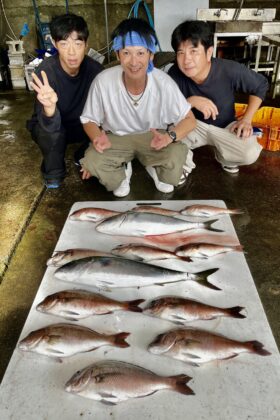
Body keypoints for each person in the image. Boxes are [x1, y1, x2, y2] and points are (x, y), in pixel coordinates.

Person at [79, 18, 196, 197]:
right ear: (118, 55)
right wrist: (96, 138)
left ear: (151, 54)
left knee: (176, 157)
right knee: (92, 160)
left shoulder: (163, 82)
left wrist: (169, 137)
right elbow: (89, 119)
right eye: (126, 53)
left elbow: (189, 120)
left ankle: (154, 166)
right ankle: (122, 169)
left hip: (152, 137)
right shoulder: (103, 80)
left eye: (141, 53)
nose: (134, 62)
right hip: (116, 138)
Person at [168, 20, 269, 174]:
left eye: (193, 51)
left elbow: (260, 85)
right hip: (193, 126)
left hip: (225, 127)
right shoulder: (174, 73)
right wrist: (191, 101)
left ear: (209, 53)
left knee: (249, 152)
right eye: (181, 53)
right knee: (166, 133)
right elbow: (168, 108)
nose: (186, 60)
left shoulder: (228, 69)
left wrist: (247, 119)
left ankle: (226, 158)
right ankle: (184, 164)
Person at [26, 13, 103, 188]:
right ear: (54, 44)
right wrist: (50, 108)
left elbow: (106, 117)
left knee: (110, 130)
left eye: (77, 43)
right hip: (53, 125)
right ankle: (53, 171)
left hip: (83, 126)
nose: (72, 52)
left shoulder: (96, 71)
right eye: (64, 43)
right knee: (51, 131)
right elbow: (48, 123)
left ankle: (83, 154)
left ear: (86, 44)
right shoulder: (45, 73)